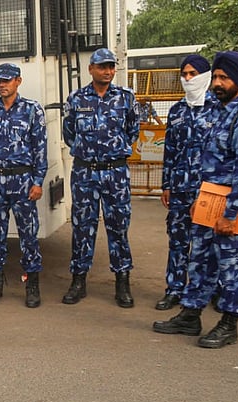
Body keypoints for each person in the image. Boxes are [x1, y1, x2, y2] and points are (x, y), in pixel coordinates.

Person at [152, 51, 238, 349]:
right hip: (208, 199)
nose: (217, 82)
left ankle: (229, 324)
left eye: (223, 78)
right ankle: (190, 315)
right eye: (215, 77)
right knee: (200, 260)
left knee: (231, 265)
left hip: (231, 205)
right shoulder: (221, 111)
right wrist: (200, 199)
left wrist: (231, 213)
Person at [62, 48, 140, 307]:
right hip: (85, 171)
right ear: (91, 69)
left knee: (118, 227)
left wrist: (113, 152)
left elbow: (132, 130)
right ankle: (78, 281)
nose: (107, 71)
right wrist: (89, 154)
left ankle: (122, 282)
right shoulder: (76, 98)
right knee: (82, 226)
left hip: (115, 172)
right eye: (102, 66)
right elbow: (69, 133)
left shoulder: (126, 98)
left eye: (110, 66)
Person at [0, 63, 48, 308]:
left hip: (23, 181)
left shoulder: (31, 110)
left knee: (29, 235)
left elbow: (40, 148)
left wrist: (38, 181)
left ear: (18, 81)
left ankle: (32, 285)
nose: (2, 85)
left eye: (7, 80)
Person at [155, 55, 219, 311]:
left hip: (209, 188)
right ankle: (175, 289)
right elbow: (169, 151)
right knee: (178, 241)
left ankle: (212, 290)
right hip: (180, 188)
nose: (188, 78)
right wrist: (166, 185)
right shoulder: (177, 111)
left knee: (209, 243)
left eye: (193, 73)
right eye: (185, 74)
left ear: (206, 75)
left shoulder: (218, 107)